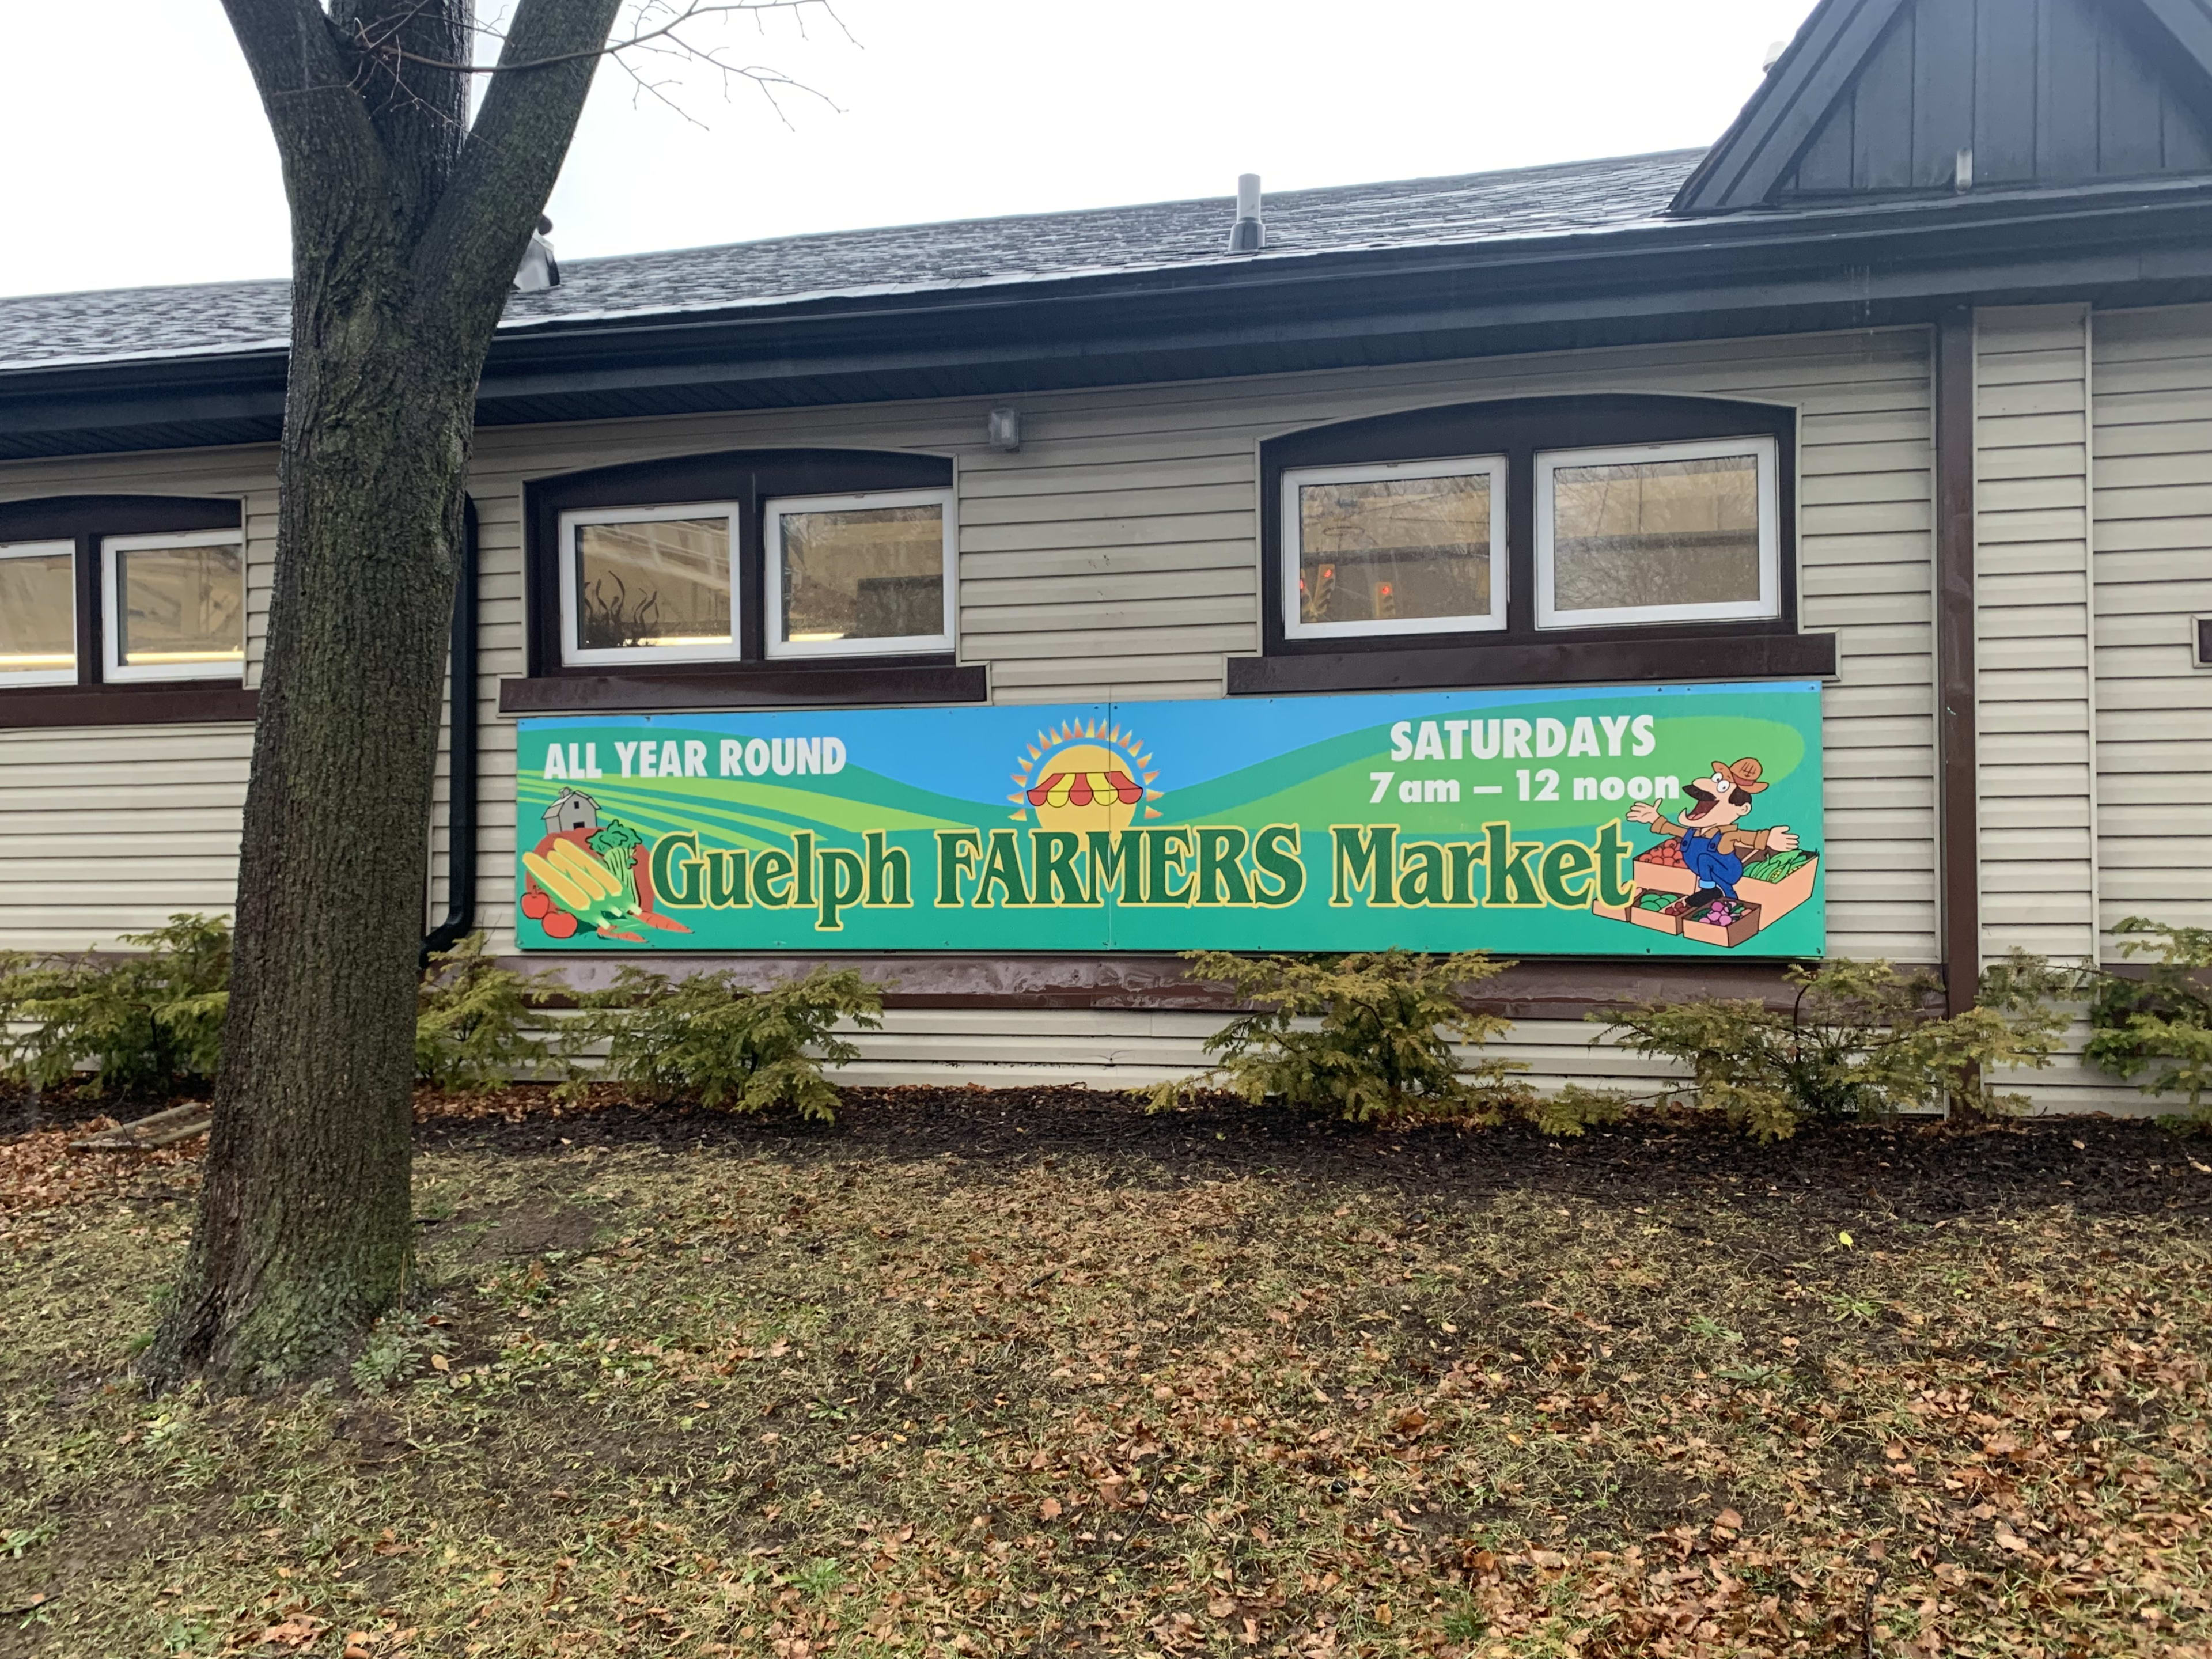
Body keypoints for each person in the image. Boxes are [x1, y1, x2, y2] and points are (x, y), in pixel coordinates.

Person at [1627, 757, 1799, 911]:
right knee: (1727, 893)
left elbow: (1744, 837)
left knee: (1705, 860)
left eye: (1723, 787)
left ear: (1742, 809)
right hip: (1712, 875)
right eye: (1717, 780)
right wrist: (1655, 819)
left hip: (1729, 870)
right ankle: (1724, 899)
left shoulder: (1726, 836)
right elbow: (1674, 830)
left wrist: (1768, 838)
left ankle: (1709, 891)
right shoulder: (1695, 833)